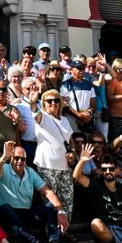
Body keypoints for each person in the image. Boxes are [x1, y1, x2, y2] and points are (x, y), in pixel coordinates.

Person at [0, 141, 69, 243]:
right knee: (6, 208)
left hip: (25, 214)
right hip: (5, 215)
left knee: (51, 206)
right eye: (16, 158)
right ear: (11, 158)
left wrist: (61, 211)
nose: (19, 161)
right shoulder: (4, 168)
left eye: (23, 159)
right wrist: (3, 157)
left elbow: (48, 191)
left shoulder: (30, 172)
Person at [32, 87, 75, 228]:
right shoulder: (42, 117)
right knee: (50, 203)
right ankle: (51, 233)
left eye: (56, 100)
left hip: (65, 167)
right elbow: (35, 113)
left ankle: (65, 231)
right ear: (44, 103)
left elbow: (70, 140)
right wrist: (33, 103)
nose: (53, 103)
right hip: (47, 166)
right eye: (49, 101)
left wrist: (73, 152)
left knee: (67, 202)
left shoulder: (65, 120)